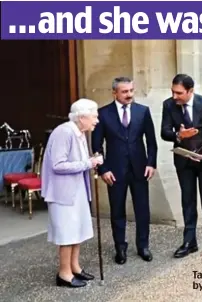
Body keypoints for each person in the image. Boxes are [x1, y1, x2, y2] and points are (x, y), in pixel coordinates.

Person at [91, 77, 158, 265]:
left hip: (140, 169)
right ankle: (120, 247)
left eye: (131, 90)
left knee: (142, 210)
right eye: (124, 91)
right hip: (114, 171)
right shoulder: (103, 114)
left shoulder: (142, 112)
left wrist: (151, 163)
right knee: (117, 210)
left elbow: (151, 142)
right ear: (114, 93)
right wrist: (103, 169)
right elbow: (96, 146)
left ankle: (143, 246)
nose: (129, 94)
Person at [160, 74, 202, 259]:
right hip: (183, 161)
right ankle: (189, 242)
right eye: (172, 92)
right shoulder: (168, 105)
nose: (174, 96)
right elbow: (164, 132)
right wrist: (179, 136)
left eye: (179, 93)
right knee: (187, 201)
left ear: (190, 91)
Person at [41, 98, 103, 288]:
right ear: (82, 117)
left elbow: (77, 160)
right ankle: (64, 273)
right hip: (63, 193)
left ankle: (74, 267)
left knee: (77, 230)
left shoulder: (80, 132)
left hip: (77, 191)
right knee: (67, 233)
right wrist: (88, 163)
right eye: (94, 116)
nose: (97, 120)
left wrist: (90, 160)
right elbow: (58, 165)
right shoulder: (64, 132)